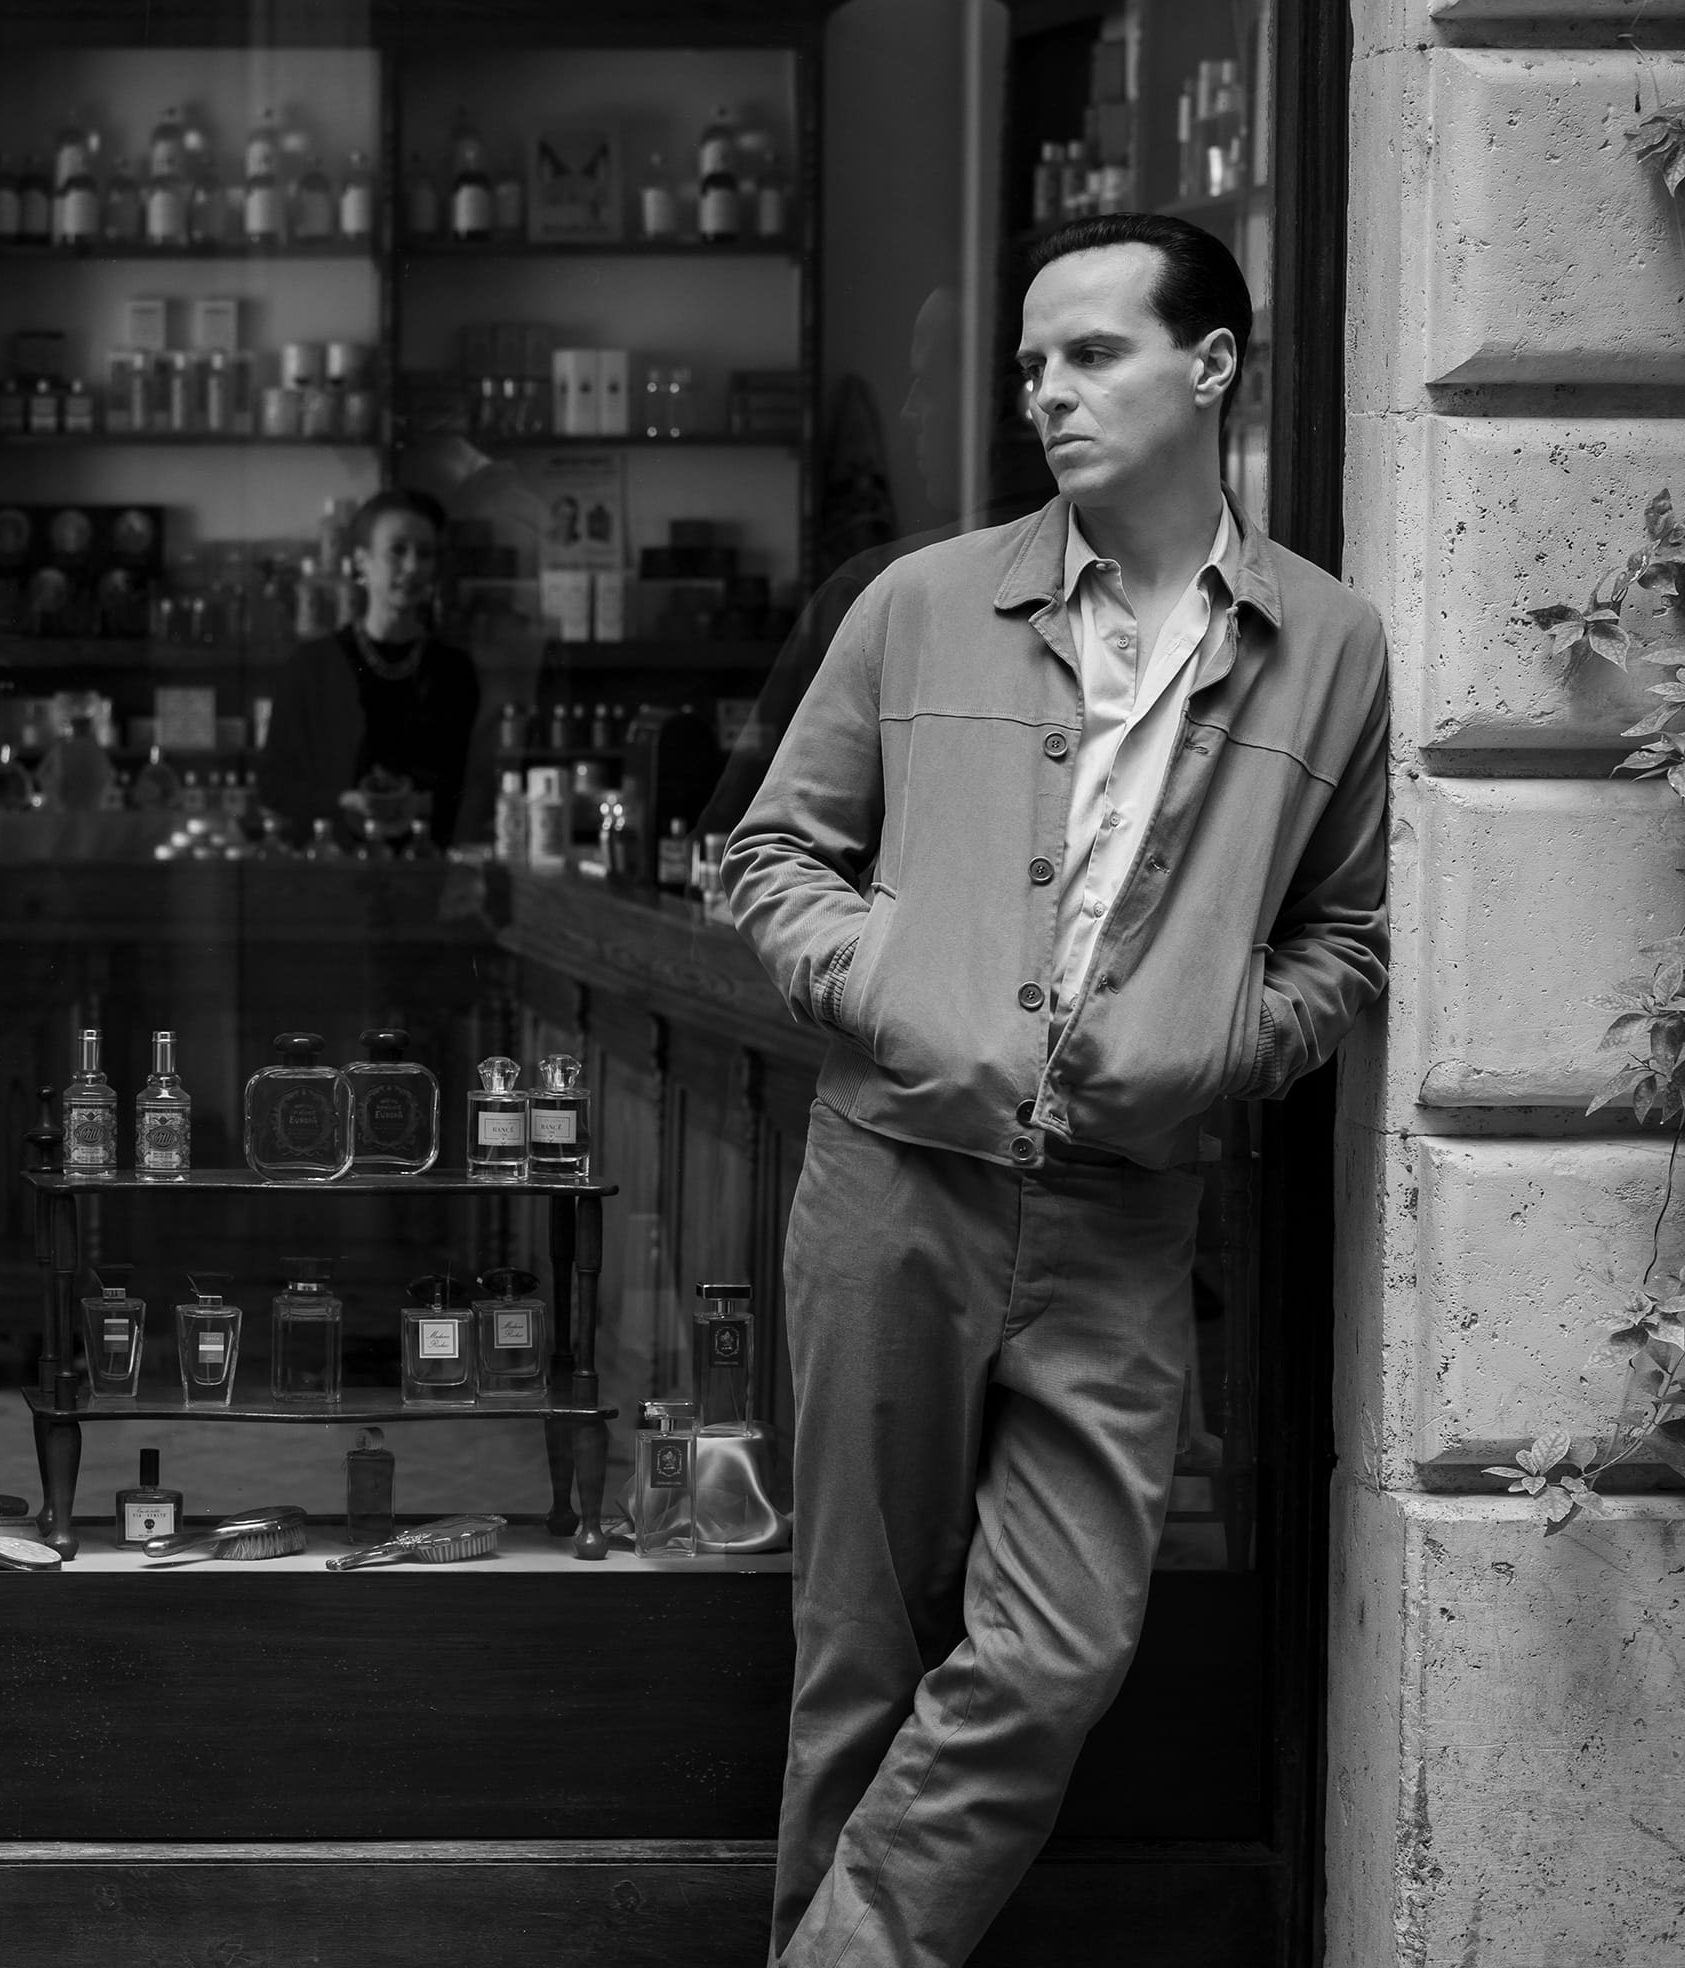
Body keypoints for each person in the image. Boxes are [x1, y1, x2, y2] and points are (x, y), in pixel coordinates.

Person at [727, 212, 1389, 1967]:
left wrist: (1215, 1044)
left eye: (1090, 353)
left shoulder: (1329, 644)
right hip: (891, 1181)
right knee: (857, 1649)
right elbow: (773, 853)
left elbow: (1348, 930)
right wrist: (894, 990)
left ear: (1212, 366)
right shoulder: (918, 601)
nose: (1046, 393)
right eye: (1032, 364)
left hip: (1121, 1216)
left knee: (1057, 1646)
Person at [255, 489, 480, 849]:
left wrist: (421, 803)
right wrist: (342, 802)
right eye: (397, 550)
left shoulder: (454, 672)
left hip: (425, 867)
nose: (413, 567)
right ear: (361, 561)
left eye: (425, 553)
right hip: (331, 864)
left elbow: (467, 786)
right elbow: (273, 786)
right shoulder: (311, 667)